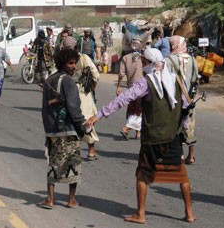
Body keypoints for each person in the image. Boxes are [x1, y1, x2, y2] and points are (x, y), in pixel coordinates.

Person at [85, 48, 196, 224]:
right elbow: (186, 109)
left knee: (143, 175)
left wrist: (98, 115)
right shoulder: (176, 80)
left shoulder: (145, 83)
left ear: (148, 63)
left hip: (152, 137)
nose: (142, 65)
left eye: (143, 62)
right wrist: (184, 129)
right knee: (181, 174)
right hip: (172, 137)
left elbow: (123, 100)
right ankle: (189, 213)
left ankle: (141, 214)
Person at [39, 48, 87, 209]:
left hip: (52, 131)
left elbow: (45, 109)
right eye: (70, 63)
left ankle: (50, 199)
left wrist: (48, 129)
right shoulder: (68, 81)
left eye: (75, 63)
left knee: (53, 164)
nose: (74, 66)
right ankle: (71, 200)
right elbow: (74, 108)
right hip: (68, 130)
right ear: (63, 63)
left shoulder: (50, 80)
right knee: (72, 165)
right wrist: (82, 128)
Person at [62, 36, 100, 160]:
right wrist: (92, 87)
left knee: (69, 121)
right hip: (83, 93)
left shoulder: (61, 60)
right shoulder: (83, 58)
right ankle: (91, 151)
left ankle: (70, 151)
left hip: (66, 92)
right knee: (88, 120)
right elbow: (96, 75)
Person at [166, 36, 199, 164]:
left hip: (174, 99)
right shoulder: (192, 59)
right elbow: (196, 80)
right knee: (189, 126)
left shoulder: (168, 60)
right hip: (189, 98)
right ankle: (191, 156)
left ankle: (178, 155)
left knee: (175, 126)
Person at [116, 37, 144, 140]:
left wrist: (118, 86)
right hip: (142, 88)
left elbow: (121, 74)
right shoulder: (143, 57)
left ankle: (138, 132)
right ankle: (126, 128)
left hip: (131, 87)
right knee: (138, 109)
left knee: (134, 108)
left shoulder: (126, 57)